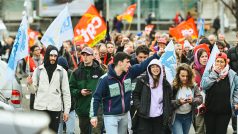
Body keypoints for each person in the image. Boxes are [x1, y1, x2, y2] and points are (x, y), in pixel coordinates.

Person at [90, 51, 163, 134]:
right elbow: (96, 97)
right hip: (110, 116)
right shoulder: (105, 79)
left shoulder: (130, 72)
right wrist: (93, 116)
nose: (129, 64)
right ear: (120, 63)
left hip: (125, 115)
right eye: (127, 62)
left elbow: (143, 65)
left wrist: (157, 55)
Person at [27, 45, 71, 132]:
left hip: (55, 109)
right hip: (40, 108)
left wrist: (66, 111)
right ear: (47, 55)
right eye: (51, 55)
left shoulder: (62, 72)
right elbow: (33, 91)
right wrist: (30, 84)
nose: (53, 58)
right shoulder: (38, 70)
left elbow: (66, 93)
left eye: (55, 56)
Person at [69, 47, 105, 134]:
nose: (85, 57)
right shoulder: (76, 72)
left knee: (96, 132)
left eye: (88, 55)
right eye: (83, 55)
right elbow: (70, 89)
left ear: (93, 56)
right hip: (82, 109)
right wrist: (80, 92)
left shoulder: (100, 71)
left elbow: (106, 88)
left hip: (97, 109)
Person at [201, 52, 238, 134]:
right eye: (217, 61)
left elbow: (236, 89)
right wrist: (214, 73)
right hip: (210, 110)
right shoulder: (209, 71)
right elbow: (203, 86)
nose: (219, 64)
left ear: (226, 63)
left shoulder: (232, 74)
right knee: (210, 132)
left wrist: (235, 102)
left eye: (222, 62)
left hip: (225, 111)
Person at [133, 59, 172, 134]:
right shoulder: (142, 80)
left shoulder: (165, 83)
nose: (155, 69)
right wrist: (140, 107)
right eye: (153, 67)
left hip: (159, 117)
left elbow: (169, 98)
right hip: (145, 116)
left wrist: (167, 112)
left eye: (157, 67)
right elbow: (135, 95)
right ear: (149, 69)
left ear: (160, 68)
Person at [171, 63, 203, 134]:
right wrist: (178, 102)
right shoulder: (173, 86)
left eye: (187, 76)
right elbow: (167, 102)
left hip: (188, 116)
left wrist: (193, 100)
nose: (185, 78)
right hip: (176, 117)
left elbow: (200, 98)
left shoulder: (193, 85)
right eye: (182, 76)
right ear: (178, 75)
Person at [192, 45, 210, 134]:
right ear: (197, 58)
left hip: (210, 104)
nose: (204, 58)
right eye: (202, 56)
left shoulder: (211, 70)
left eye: (206, 56)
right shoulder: (193, 72)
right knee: (199, 129)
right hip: (198, 106)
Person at [57, 56, 76, 134]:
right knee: (58, 131)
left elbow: (74, 88)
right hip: (57, 108)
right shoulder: (54, 75)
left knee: (70, 131)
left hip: (70, 108)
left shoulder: (72, 74)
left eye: (64, 68)